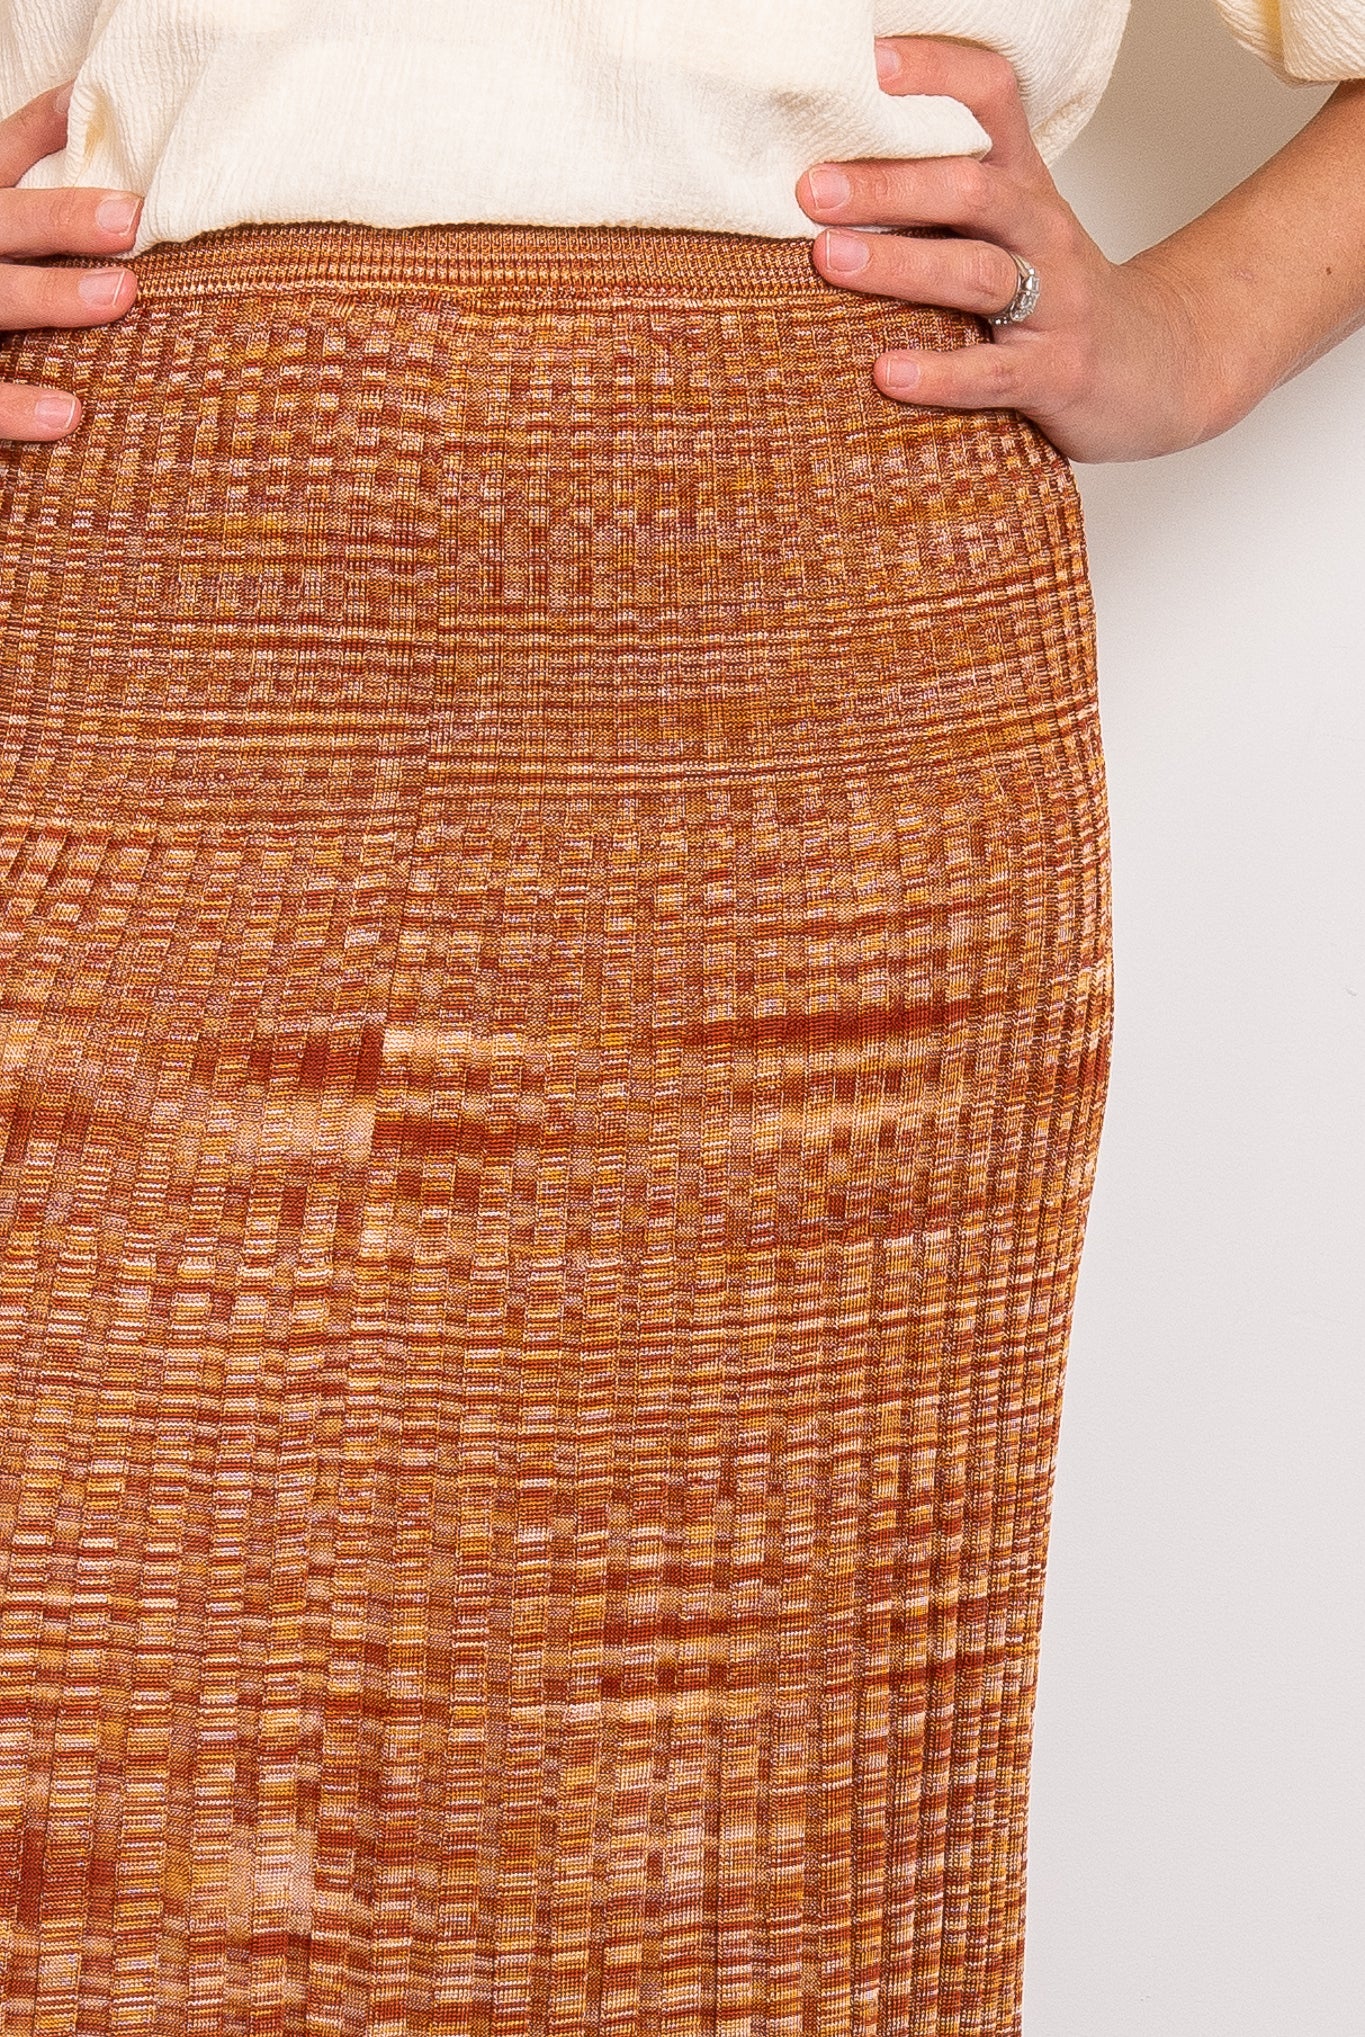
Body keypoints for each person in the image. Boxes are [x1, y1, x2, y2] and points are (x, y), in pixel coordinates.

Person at [0, 5, 1359, 2031]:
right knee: (99, 1782)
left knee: (749, 1841)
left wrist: (1192, 332)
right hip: (147, 580)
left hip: (824, 610)